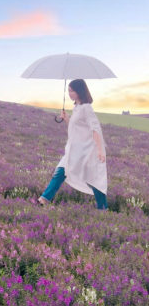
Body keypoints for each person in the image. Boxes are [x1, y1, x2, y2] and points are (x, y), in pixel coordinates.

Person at [38, 79, 108, 209]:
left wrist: (100, 150)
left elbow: (95, 129)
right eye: (68, 90)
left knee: (93, 179)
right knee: (60, 171)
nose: (69, 93)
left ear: (79, 91)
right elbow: (76, 127)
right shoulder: (77, 108)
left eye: (72, 91)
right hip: (74, 149)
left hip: (86, 151)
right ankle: (43, 199)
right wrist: (66, 119)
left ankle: (103, 208)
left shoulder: (86, 108)